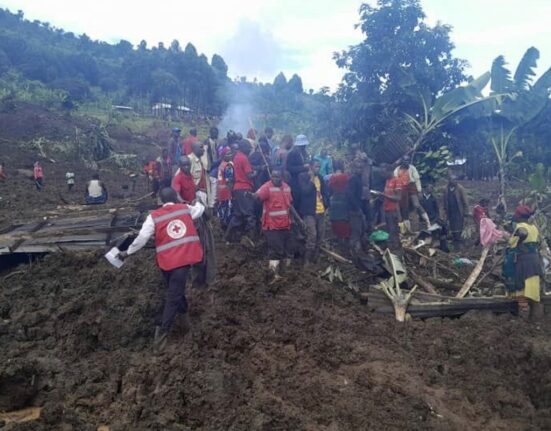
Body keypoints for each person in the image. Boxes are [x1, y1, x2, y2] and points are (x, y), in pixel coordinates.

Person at [118, 187, 205, 348]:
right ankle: (162, 335)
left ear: (160, 200)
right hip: (183, 260)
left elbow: (142, 238)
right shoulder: (185, 209)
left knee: (175, 291)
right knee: (174, 296)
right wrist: (198, 202)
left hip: (166, 263)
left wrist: (127, 252)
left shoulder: (154, 216)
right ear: (177, 197)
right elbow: (199, 210)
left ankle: (186, 325)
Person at [503, 205, 543, 316]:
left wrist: (506, 236)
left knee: (521, 287)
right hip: (534, 259)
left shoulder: (520, 227)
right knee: (532, 285)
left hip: (523, 260)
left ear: (519, 216)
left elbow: (512, 243)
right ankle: (535, 313)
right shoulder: (534, 227)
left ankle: (523, 314)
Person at [253, 169, 293, 279]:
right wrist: (251, 196)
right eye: (273, 176)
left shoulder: (286, 188)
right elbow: (257, 196)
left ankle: (284, 274)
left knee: (287, 250)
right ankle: (273, 275)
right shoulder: (267, 187)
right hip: (272, 226)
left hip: (285, 224)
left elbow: (289, 205)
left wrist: (295, 220)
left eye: (277, 177)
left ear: (282, 177)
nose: (275, 179)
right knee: (275, 251)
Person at [297, 160, 329, 264]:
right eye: (316, 167)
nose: (318, 169)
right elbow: (305, 191)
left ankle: (315, 258)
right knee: (312, 235)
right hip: (309, 212)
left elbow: (325, 192)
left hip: (321, 211)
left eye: (319, 167)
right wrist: (311, 179)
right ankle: (306, 260)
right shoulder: (302, 176)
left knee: (320, 235)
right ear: (310, 167)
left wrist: (326, 205)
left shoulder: (320, 178)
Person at [226, 139, 256, 243]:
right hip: (244, 188)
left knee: (238, 214)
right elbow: (249, 175)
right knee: (249, 214)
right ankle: (250, 238)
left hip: (237, 189)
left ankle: (228, 238)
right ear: (244, 148)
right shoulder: (244, 158)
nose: (249, 150)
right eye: (249, 148)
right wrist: (259, 170)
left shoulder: (236, 157)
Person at [394, 156, 431, 230]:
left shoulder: (412, 168)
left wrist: (419, 191)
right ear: (402, 161)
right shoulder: (397, 170)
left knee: (416, 204)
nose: (407, 162)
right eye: (405, 160)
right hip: (402, 189)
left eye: (408, 160)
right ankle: (408, 229)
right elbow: (395, 180)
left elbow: (417, 180)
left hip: (411, 187)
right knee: (404, 208)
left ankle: (427, 221)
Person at [373, 165, 403, 250]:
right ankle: (392, 247)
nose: (382, 175)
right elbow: (386, 195)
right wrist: (378, 195)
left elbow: (397, 198)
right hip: (386, 209)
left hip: (393, 210)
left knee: (393, 231)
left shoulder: (397, 181)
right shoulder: (387, 180)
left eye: (384, 173)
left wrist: (384, 195)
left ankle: (395, 249)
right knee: (389, 230)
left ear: (390, 171)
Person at [328, 160, 351, 246]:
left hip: (334, 200)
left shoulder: (332, 177)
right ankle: (345, 239)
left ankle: (338, 239)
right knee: (344, 220)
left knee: (335, 220)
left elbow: (330, 190)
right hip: (344, 200)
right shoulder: (346, 176)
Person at [347, 160, 367, 253]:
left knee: (361, 229)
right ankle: (355, 252)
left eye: (361, 168)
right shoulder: (353, 179)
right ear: (354, 168)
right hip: (354, 210)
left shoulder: (358, 178)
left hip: (358, 208)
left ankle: (358, 251)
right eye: (358, 168)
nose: (360, 170)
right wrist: (357, 208)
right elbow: (350, 195)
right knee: (356, 231)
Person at [443, 176, 469, 247]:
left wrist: (466, 213)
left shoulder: (460, 188)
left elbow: (465, 202)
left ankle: (458, 241)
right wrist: (445, 211)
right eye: (453, 180)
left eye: (455, 180)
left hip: (458, 211)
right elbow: (445, 201)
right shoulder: (446, 189)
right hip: (450, 211)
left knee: (459, 226)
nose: (455, 181)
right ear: (449, 181)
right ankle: (454, 240)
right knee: (452, 226)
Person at [286, 134, 310, 203]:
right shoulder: (292, 154)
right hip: (295, 181)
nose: (304, 147)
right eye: (302, 146)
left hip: (304, 181)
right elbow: (290, 168)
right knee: (296, 199)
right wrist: (303, 167)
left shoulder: (305, 153)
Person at [189, 141, 212, 209]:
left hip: (203, 191)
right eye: (201, 147)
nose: (203, 149)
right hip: (196, 193)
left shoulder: (201, 159)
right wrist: (196, 188)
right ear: (194, 149)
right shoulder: (189, 160)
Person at [217, 147, 234, 229]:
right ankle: (226, 227)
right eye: (228, 154)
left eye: (231, 153)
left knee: (222, 208)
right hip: (227, 191)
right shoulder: (228, 166)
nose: (230, 155)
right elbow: (229, 180)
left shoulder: (221, 164)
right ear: (223, 156)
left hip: (220, 190)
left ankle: (222, 225)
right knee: (227, 209)